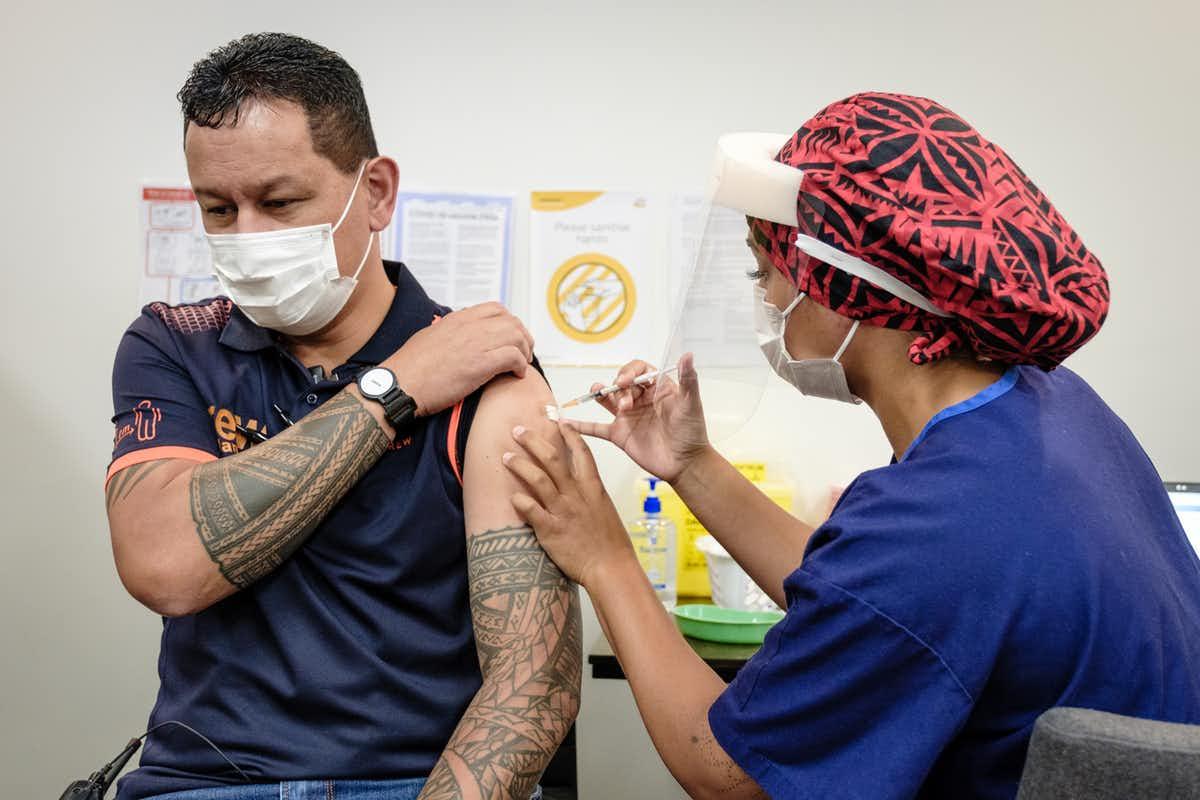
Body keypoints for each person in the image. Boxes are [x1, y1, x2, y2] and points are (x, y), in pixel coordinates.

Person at [502, 92, 1200, 799]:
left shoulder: (938, 526)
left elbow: (728, 774)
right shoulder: (1047, 410)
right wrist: (691, 465)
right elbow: (874, 601)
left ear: (847, 291)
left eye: (766, 273)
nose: (767, 302)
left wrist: (606, 559)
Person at [104, 33, 579, 800]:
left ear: (377, 191)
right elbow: (164, 567)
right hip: (203, 785)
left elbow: (534, 687)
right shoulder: (173, 345)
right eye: (219, 209)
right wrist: (397, 388)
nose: (247, 238)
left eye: (281, 201)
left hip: (410, 784)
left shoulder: (490, 377)